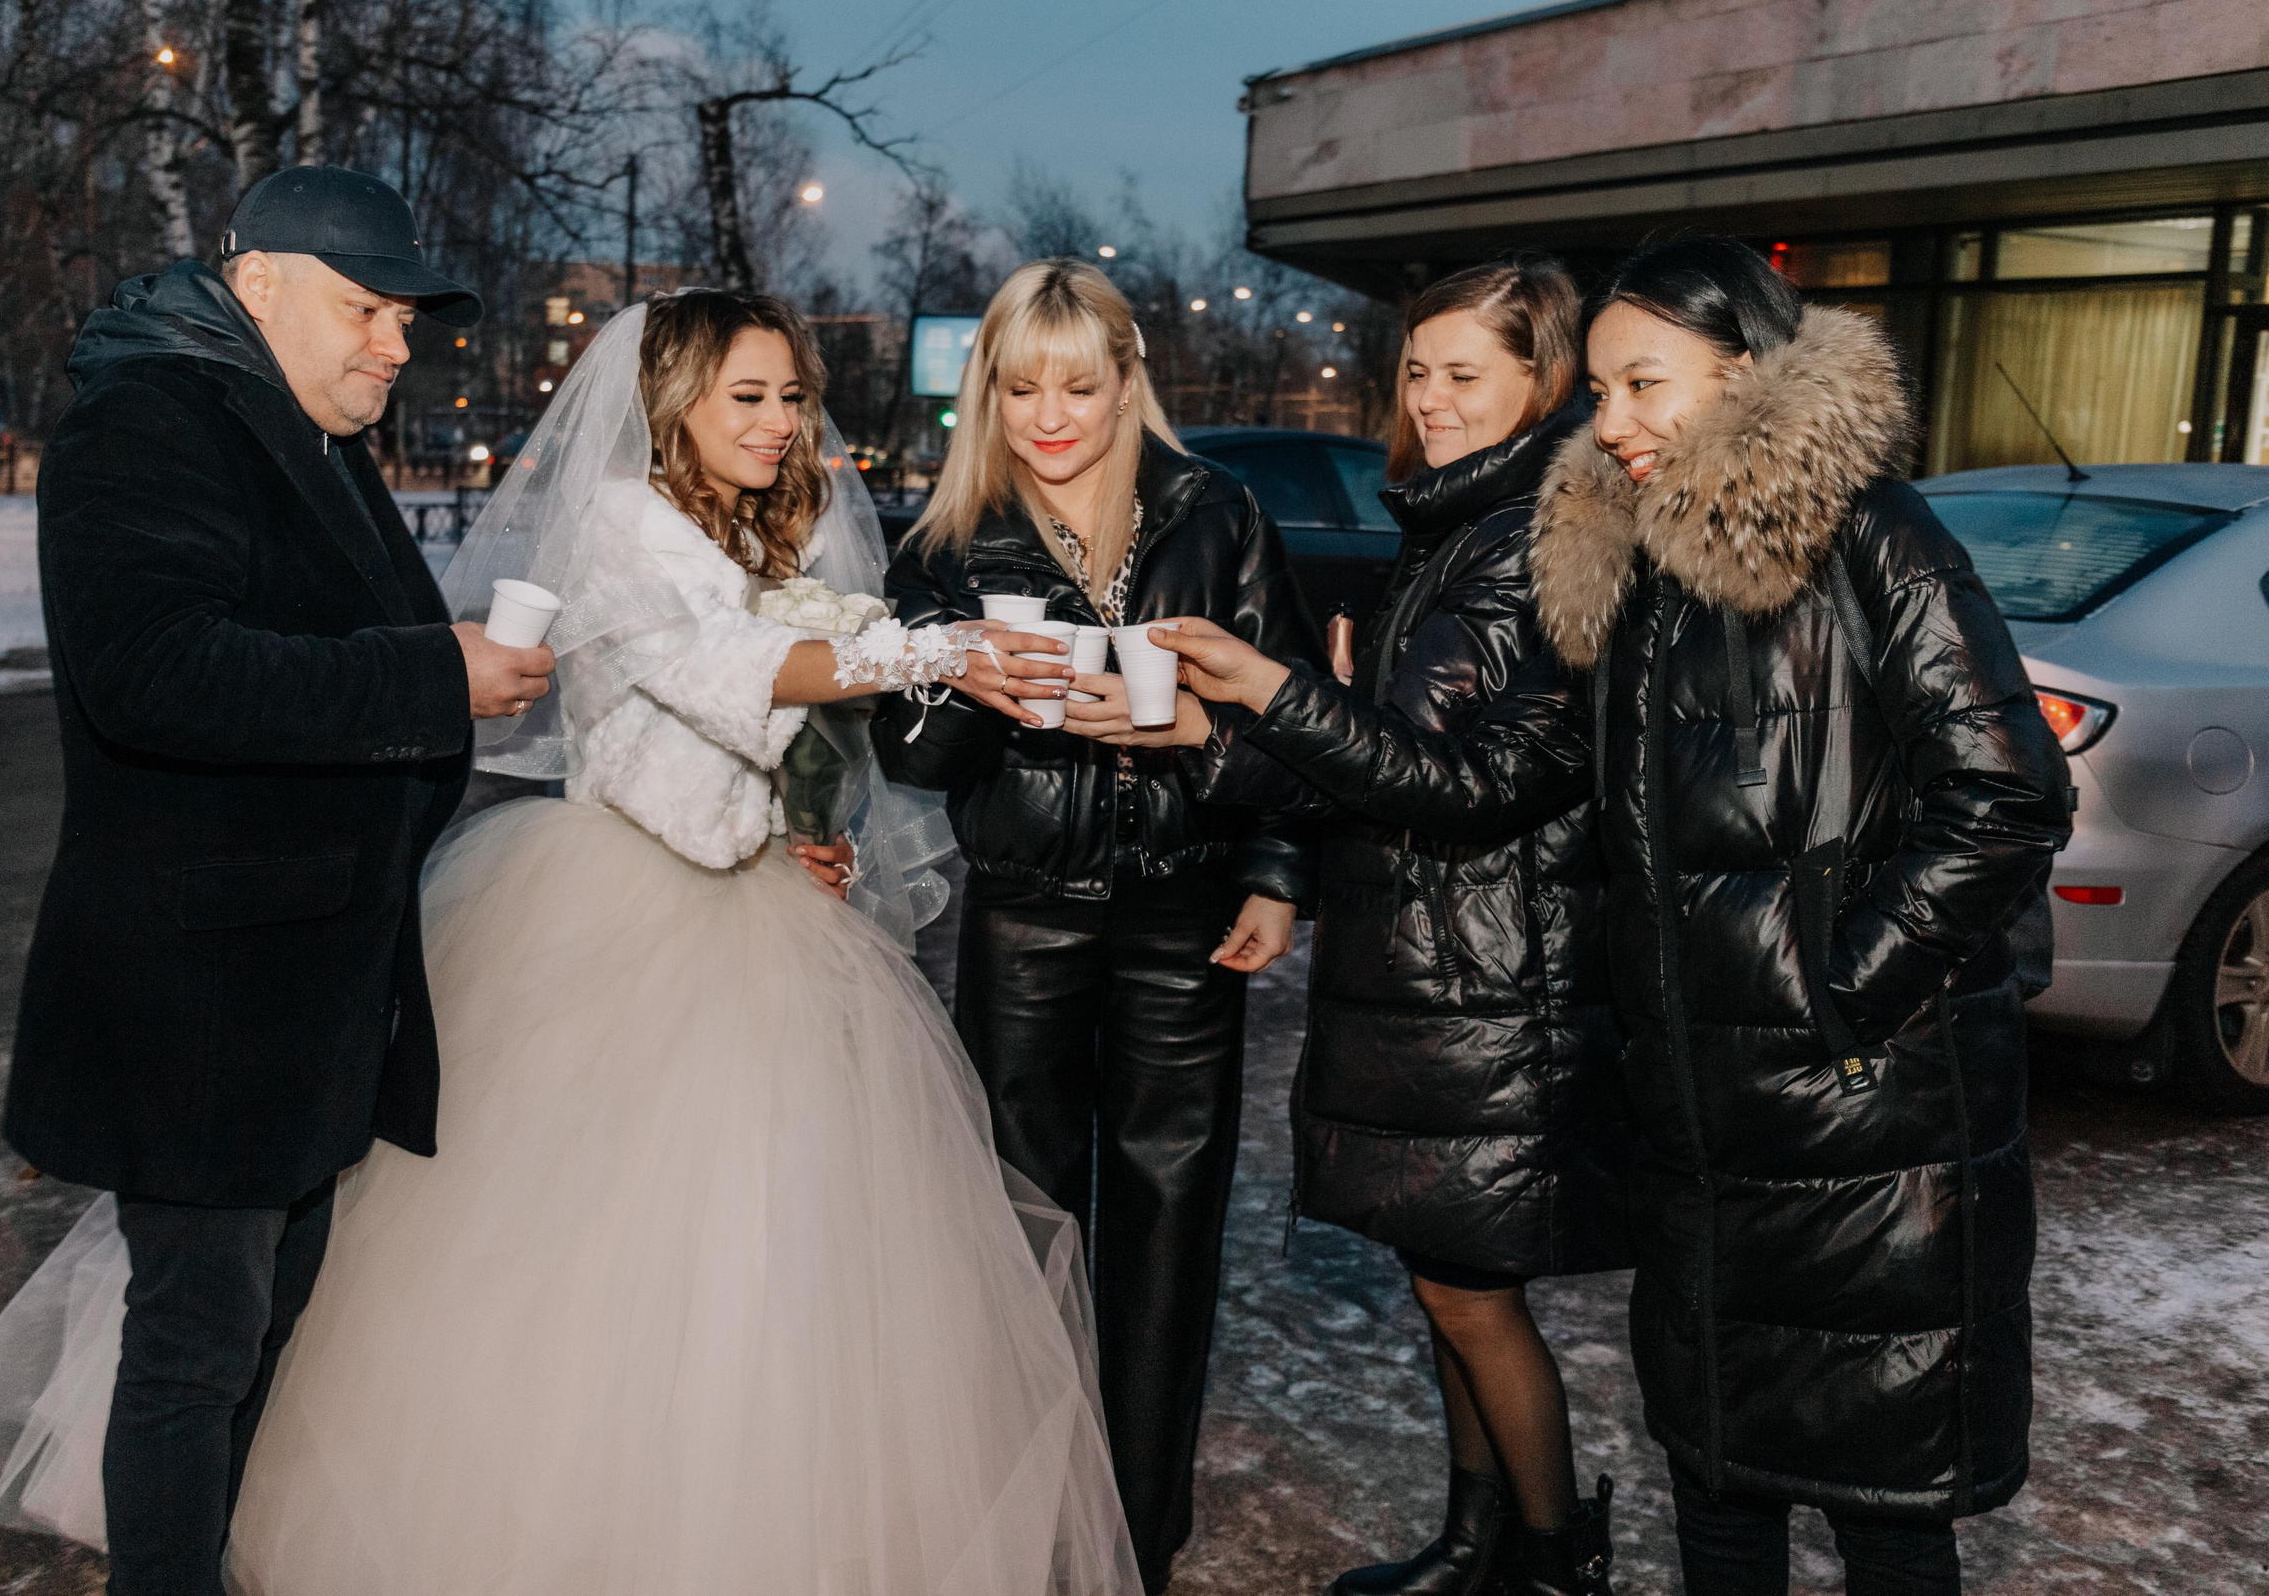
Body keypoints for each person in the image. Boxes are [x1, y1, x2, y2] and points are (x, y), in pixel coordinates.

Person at [0, 286, 1143, 1596]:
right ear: (671, 402)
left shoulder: (742, 524)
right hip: (613, 909)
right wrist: (938, 654)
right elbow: (716, 667)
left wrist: (794, 821)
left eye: (793, 397)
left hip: (750, 907)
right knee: (559, 1278)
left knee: (764, 1283)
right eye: (748, 396)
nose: (783, 423)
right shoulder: (625, 522)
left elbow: (766, 722)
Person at [0, 165, 552, 1596]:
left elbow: (310, 637)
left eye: (406, 315)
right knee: (194, 1351)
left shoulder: (301, 426)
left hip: (299, 990)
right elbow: (153, 672)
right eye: (366, 308)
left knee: (258, 1328)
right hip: (203, 993)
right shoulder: (150, 416)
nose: (397, 342)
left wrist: (439, 670)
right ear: (257, 280)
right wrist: (426, 672)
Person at [1523, 238, 2069, 1594]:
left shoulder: (1873, 536)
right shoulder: (1640, 572)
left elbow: (2004, 794)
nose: (1611, 424)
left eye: (1645, 384)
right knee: (1715, 1491)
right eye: (1599, 391)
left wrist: (1839, 991)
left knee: (1882, 1511)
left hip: (1865, 1137)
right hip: (1704, 1143)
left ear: (1748, 373)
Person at [1126, 255, 1630, 1596]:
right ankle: (1479, 1545)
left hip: (1494, 974)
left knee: (1473, 1290)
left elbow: (1468, 788)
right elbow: (1374, 766)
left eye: (1467, 373)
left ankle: (1550, 1565)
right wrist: (1214, 731)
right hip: (1430, 964)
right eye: (1418, 371)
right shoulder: (1453, 523)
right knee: (1443, 1278)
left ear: (1546, 382)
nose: (1434, 397)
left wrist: (1275, 692)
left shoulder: (1549, 539)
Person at [871, 258, 1321, 1594]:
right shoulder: (950, 543)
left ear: (1129, 380)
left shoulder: (1213, 513)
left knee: (1168, 1234)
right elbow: (906, 760)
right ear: (988, 395)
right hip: (1023, 925)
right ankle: (1025, 1512)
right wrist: (968, 677)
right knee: (1019, 1226)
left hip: (1186, 922)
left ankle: (1138, 1526)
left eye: (1079, 383)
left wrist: (1279, 873)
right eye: (1021, 387)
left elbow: (1286, 714)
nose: (1051, 414)